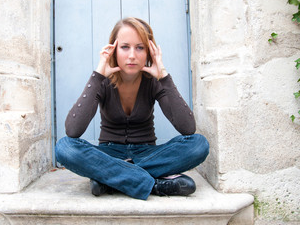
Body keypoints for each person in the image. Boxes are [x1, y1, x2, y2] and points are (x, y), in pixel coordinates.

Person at [55, 17, 209, 200]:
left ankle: (110, 178)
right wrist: (97, 76)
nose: (132, 56)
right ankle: (154, 184)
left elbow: (188, 128)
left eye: (140, 47)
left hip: (148, 153)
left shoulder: (154, 82)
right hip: (109, 153)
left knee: (199, 144)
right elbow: (73, 130)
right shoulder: (102, 82)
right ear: (113, 49)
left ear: (149, 52)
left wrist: (164, 77)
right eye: (125, 47)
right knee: (65, 147)